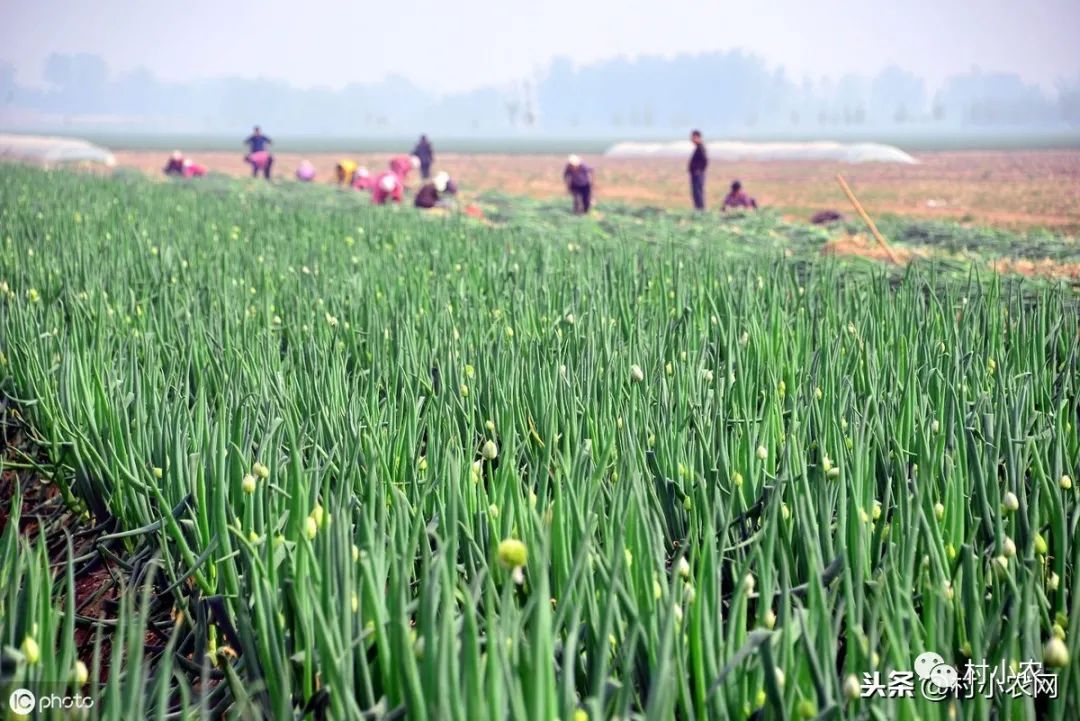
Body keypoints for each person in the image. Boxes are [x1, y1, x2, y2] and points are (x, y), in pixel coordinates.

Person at [688, 130, 707, 211]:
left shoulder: (700, 147)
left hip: (698, 174)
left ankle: (700, 210)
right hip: (695, 174)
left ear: (698, 137)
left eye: (693, 137)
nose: (692, 139)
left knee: (698, 192)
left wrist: (699, 170)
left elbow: (705, 161)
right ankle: (698, 209)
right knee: (696, 193)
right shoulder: (698, 147)